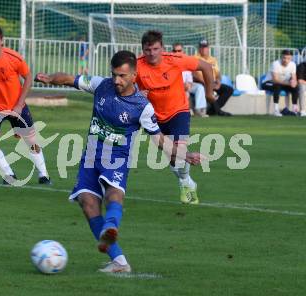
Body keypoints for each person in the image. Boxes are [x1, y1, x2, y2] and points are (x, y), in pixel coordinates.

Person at [35, 50, 204, 273]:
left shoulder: (142, 106)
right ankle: (119, 262)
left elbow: (160, 141)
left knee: (113, 193)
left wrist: (185, 154)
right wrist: (50, 78)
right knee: (87, 202)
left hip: (116, 157)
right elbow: (69, 79)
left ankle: (111, 226)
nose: (117, 80)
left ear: (134, 75)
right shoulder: (100, 85)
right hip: (91, 155)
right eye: (114, 74)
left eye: (123, 76)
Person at [136, 31, 214, 205]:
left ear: (162, 48)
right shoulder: (137, 66)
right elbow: (123, 85)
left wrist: (209, 93)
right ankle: (187, 181)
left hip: (178, 111)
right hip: (153, 116)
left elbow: (206, 67)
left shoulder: (175, 59)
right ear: (142, 50)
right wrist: (136, 94)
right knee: (172, 156)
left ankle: (185, 183)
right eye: (148, 50)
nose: (152, 53)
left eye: (156, 49)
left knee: (179, 151)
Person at [0, 24, 51, 185]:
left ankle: (43, 174)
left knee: (31, 141)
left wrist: (19, 104)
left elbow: (28, 78)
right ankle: (9, 174)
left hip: (16, 105)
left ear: (2, 41)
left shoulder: (13, 58)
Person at [193, 39, 233, 116]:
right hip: (202, 83)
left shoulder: (213, 59)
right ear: (199, 48)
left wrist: (218, 82)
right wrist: (207, 83)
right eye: (202, 47)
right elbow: (194, 74)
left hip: (212, 82)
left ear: (208, 48)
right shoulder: (195, 58)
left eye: (205, 47)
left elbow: (218, 73)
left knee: (228, 89)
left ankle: (212, 111)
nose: (203, 49)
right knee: (208, 91)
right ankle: (219, 111)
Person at [172, 43, 208, 117]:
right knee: (185, 92)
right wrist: (182, 85)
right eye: (175, 51)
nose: (177, 53)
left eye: (179, 50)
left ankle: (199, 110)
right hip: (175, 86)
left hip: (186, 84)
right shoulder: (170, 62)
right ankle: (187, 111)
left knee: (199, 87)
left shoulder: (186, 61)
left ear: (183, 51)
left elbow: (189, 77)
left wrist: (189, 84)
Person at [261, 49, 299, 117]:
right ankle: (276, 110)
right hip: (268, 83)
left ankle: (295, 110)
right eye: (284, 58)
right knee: (277, 86)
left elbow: (294, 77)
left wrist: (294, 82)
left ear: (291, 58)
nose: (286, 60)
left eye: (288, 58)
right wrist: (289, 83)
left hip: (283, 83)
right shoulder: (276, 64)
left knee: (295, 87)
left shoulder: (293, 64)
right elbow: (275, 80)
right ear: (281, 57)